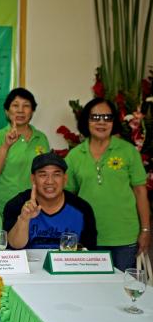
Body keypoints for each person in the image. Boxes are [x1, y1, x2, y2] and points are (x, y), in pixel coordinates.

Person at [66, 98, 150, 271]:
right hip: (88, 236)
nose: (102, 122)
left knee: (123, 292)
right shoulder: (75, 155)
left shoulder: (127, 151)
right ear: (86, 121)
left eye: (107, 117)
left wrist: (146, 230)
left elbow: (141, 192)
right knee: (91, 292)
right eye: (95, 117)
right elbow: (67, 195)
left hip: (124, 236)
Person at [4, 152, 97, 250]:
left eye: (56, 175)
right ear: (33, 179)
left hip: (67, 264)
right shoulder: (16, 205)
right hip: (28, 264)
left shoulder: (82, 208)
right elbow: (14, 246)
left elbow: (89, 251)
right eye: (43, 175)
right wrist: (24, 219)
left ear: (65, 179)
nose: (50, 181)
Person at [0, 88, 49, 214]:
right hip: (1, 205)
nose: (20, 110)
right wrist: (6, 145)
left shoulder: (41, 138)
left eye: (26, 106)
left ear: (32, 111)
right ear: (7, 111)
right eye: (15, 106)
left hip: (31, 205)